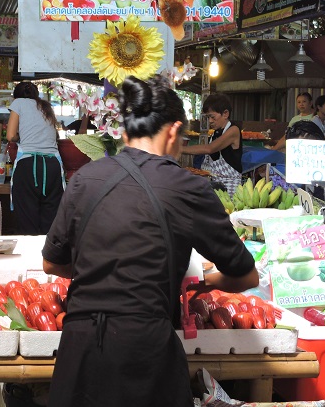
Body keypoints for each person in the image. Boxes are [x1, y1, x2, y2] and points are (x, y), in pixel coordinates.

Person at [42, 75, 258, 407]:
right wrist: (204, 283)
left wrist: (102, 268)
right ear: (173, 131)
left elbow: (52, 262)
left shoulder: (84, 178)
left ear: (125, 131)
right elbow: (247, 275)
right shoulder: (189, 188)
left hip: (80, 349)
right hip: (144, 349)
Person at [6, 81, 65, 235]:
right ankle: (49, 257)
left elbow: (11, 135)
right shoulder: (46, 107)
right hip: (53, 166)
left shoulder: (18, 103)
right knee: (50, 221)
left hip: (29, 166)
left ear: (16, 95)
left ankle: (30, 257)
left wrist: (21, 137)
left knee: (28, 222)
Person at [182, 93, 242, 197]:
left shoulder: (233, 130)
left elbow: (209, 149)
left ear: (225, 114)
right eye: (208, 117)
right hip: (215, 185)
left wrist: (179, 149)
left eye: (212, 117)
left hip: (230, 187)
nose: (210, 121)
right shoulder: (215, 132)